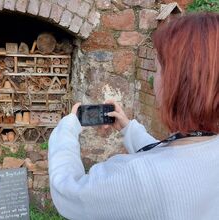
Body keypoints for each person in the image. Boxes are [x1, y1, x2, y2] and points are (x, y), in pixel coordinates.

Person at [48, 13, 219, 220]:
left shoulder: (136, 178)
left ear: (176, 82)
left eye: (157, 69)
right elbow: (175, 160)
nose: (153, 79)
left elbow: (68, 192)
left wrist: (67, 129)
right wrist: (129, 129)